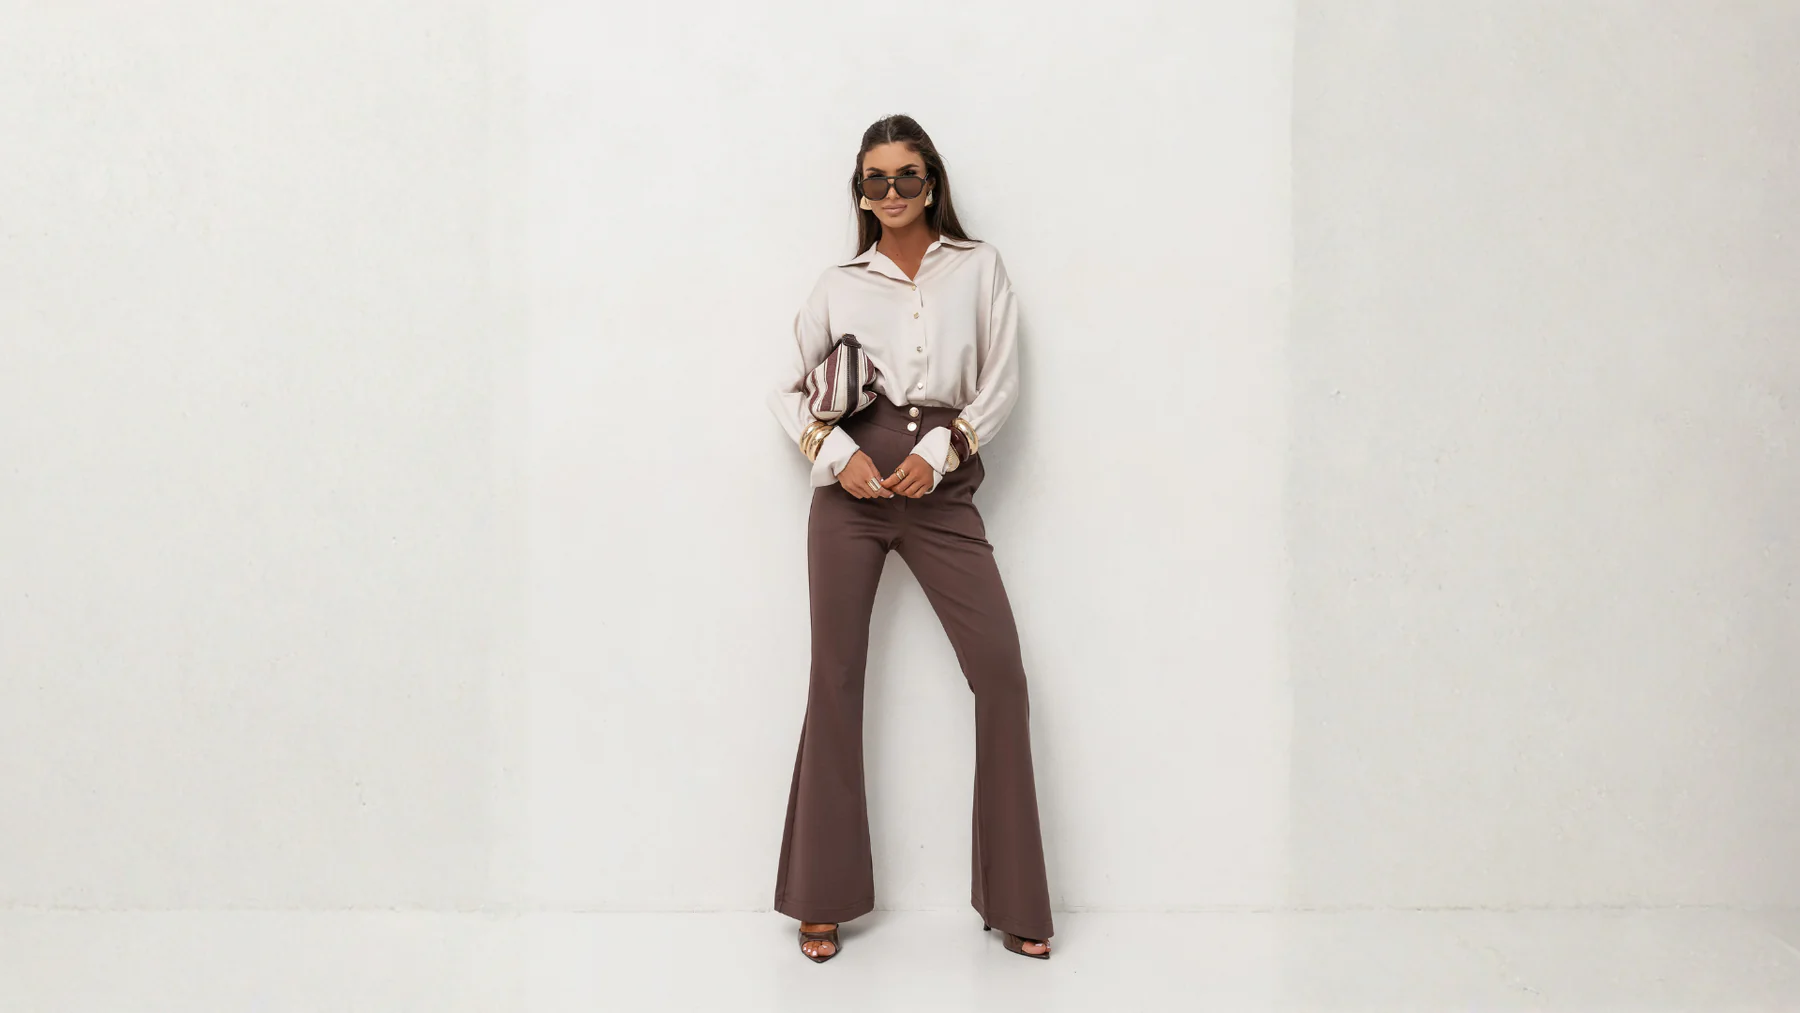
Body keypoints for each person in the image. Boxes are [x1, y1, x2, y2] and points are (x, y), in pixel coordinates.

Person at [766, 114, 1053, 962]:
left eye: (907, 176)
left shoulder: (979, 267)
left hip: (942, 485)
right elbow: (786, 388)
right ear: (859, 192)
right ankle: (821, 896)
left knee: (1000, 674)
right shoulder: (838, 283)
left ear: (932, 183)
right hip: (850, 493)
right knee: (835, 678)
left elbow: (999, 382)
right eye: (875, 179)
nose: (891, 191)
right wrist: (835, 453)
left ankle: (1015, 897)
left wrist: (942, 452)